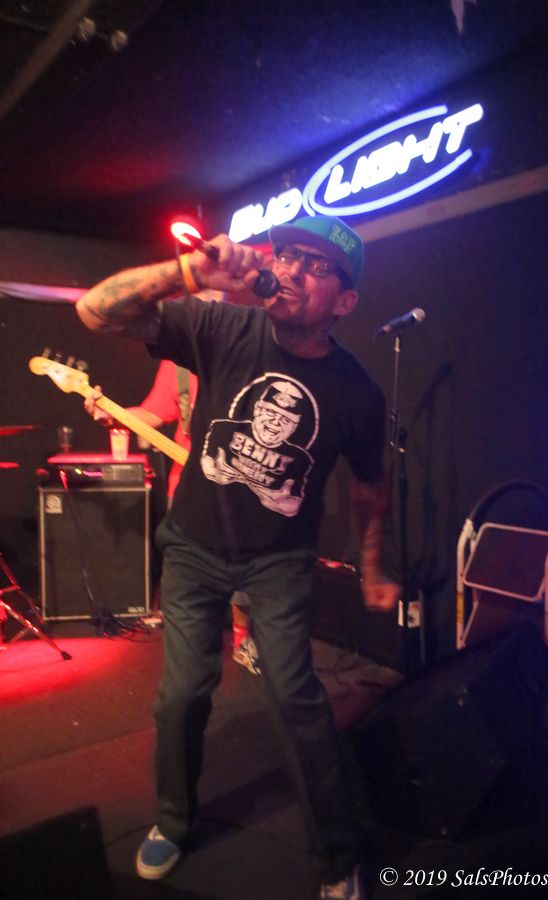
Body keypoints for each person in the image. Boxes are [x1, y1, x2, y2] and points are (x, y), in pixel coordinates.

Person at [76, 214, 400, 900]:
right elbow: (94, 311)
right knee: (181, 694)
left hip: (279, 562)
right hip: (193, 548)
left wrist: (372, 566)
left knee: (295, 697)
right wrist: (188, 272)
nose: (290, 270)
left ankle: (337, 857)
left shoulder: (357, 392)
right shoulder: (223, 326)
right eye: (287, 255)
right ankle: (173, 821)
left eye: (315, 265)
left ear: (344, 301)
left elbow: (371, 489)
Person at [84, 358, 260, 675]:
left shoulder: (247, 354)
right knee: (188, 570)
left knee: (242, 566)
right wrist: (109, 414)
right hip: (186, 486)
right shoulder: (177, 364)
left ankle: (242, 638)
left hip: (239, 481)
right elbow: (151, 414)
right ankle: (192, 648)